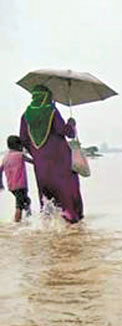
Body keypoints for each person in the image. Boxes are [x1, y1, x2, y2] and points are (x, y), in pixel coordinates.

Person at [18, 85, 84, 223]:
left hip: (40, 165)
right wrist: (71, 124)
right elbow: (66, 132)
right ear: (46, 97)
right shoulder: (52, 111)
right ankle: (72, 221)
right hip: (60, 161)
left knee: (47, 198)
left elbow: (23, 139)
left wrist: (37, 155)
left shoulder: (25, 116)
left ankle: (48, 228)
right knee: (67, 190)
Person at [0, 135, 33, 222]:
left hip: (11, 187)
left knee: (27, 201)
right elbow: (32, 161)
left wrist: (1, 184)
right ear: (18, 146)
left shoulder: (5, 158)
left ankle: (28, 219)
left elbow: (0, 171)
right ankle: (17, 223)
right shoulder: (20, 155)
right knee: (19, 206)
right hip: (21, 186)